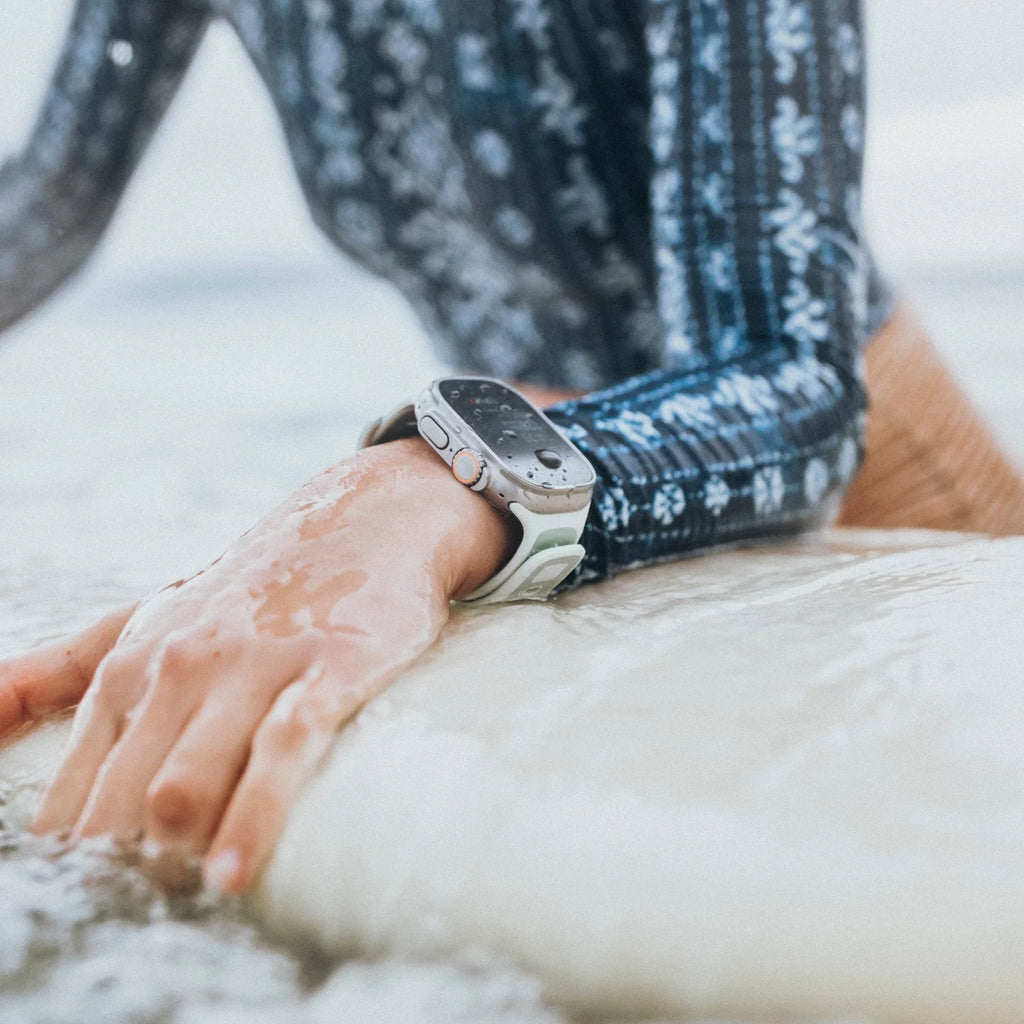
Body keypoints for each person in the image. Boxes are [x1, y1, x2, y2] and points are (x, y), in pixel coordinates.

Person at [0, 0, 1021, 895]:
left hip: (876, 488)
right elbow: (47, 202)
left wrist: (414, 485)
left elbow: (789, 384)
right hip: (505, 494)